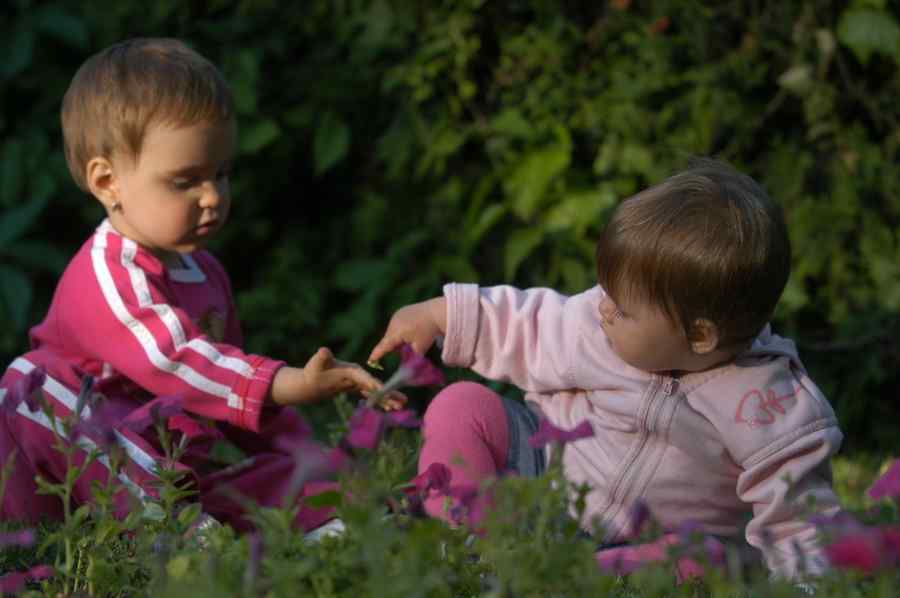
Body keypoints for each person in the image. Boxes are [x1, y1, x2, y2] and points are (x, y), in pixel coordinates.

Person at [369, 158, 843, 580]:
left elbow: (799, 518)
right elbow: (527, 324)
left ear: (700, 336)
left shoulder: (769, 406)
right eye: (605, 293)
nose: (603, 310)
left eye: (622, 309)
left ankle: (564, 582)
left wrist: (805, 582)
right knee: (463, 404)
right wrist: (439, 315)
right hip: (539, 486)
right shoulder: (598, 323)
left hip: (638, 549)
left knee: (705, 561)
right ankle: (467, 543)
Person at [0, 38, 401, 533]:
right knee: (30, 386)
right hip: (73, 469)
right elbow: (178, 361)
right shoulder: (106, 274)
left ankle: (325, 525)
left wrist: (312, 460)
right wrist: (291, 383)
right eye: (184, 181)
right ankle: (179, 538)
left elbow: (227, 391)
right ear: (108, 183)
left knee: (312, 476)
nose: (212, 196)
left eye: (222, 172)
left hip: (172, 470)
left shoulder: (204, 272)